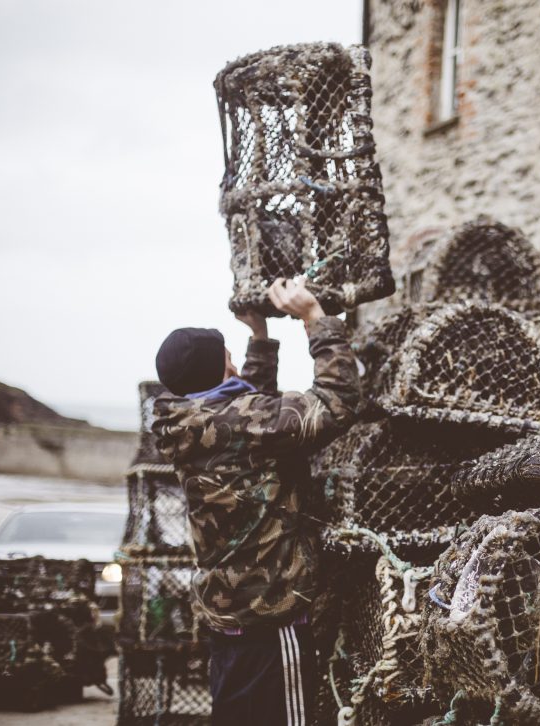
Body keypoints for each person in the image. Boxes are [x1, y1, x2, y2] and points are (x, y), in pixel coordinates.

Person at [151, 278, 360, 726]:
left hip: (231, 611)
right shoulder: (244, 422)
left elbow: (248, 409)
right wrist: (314, 320)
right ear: (221, 368)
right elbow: (338, 401)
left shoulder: (185, 420)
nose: (232, 361)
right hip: (271, 617)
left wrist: (261, 339)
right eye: (227, 356)